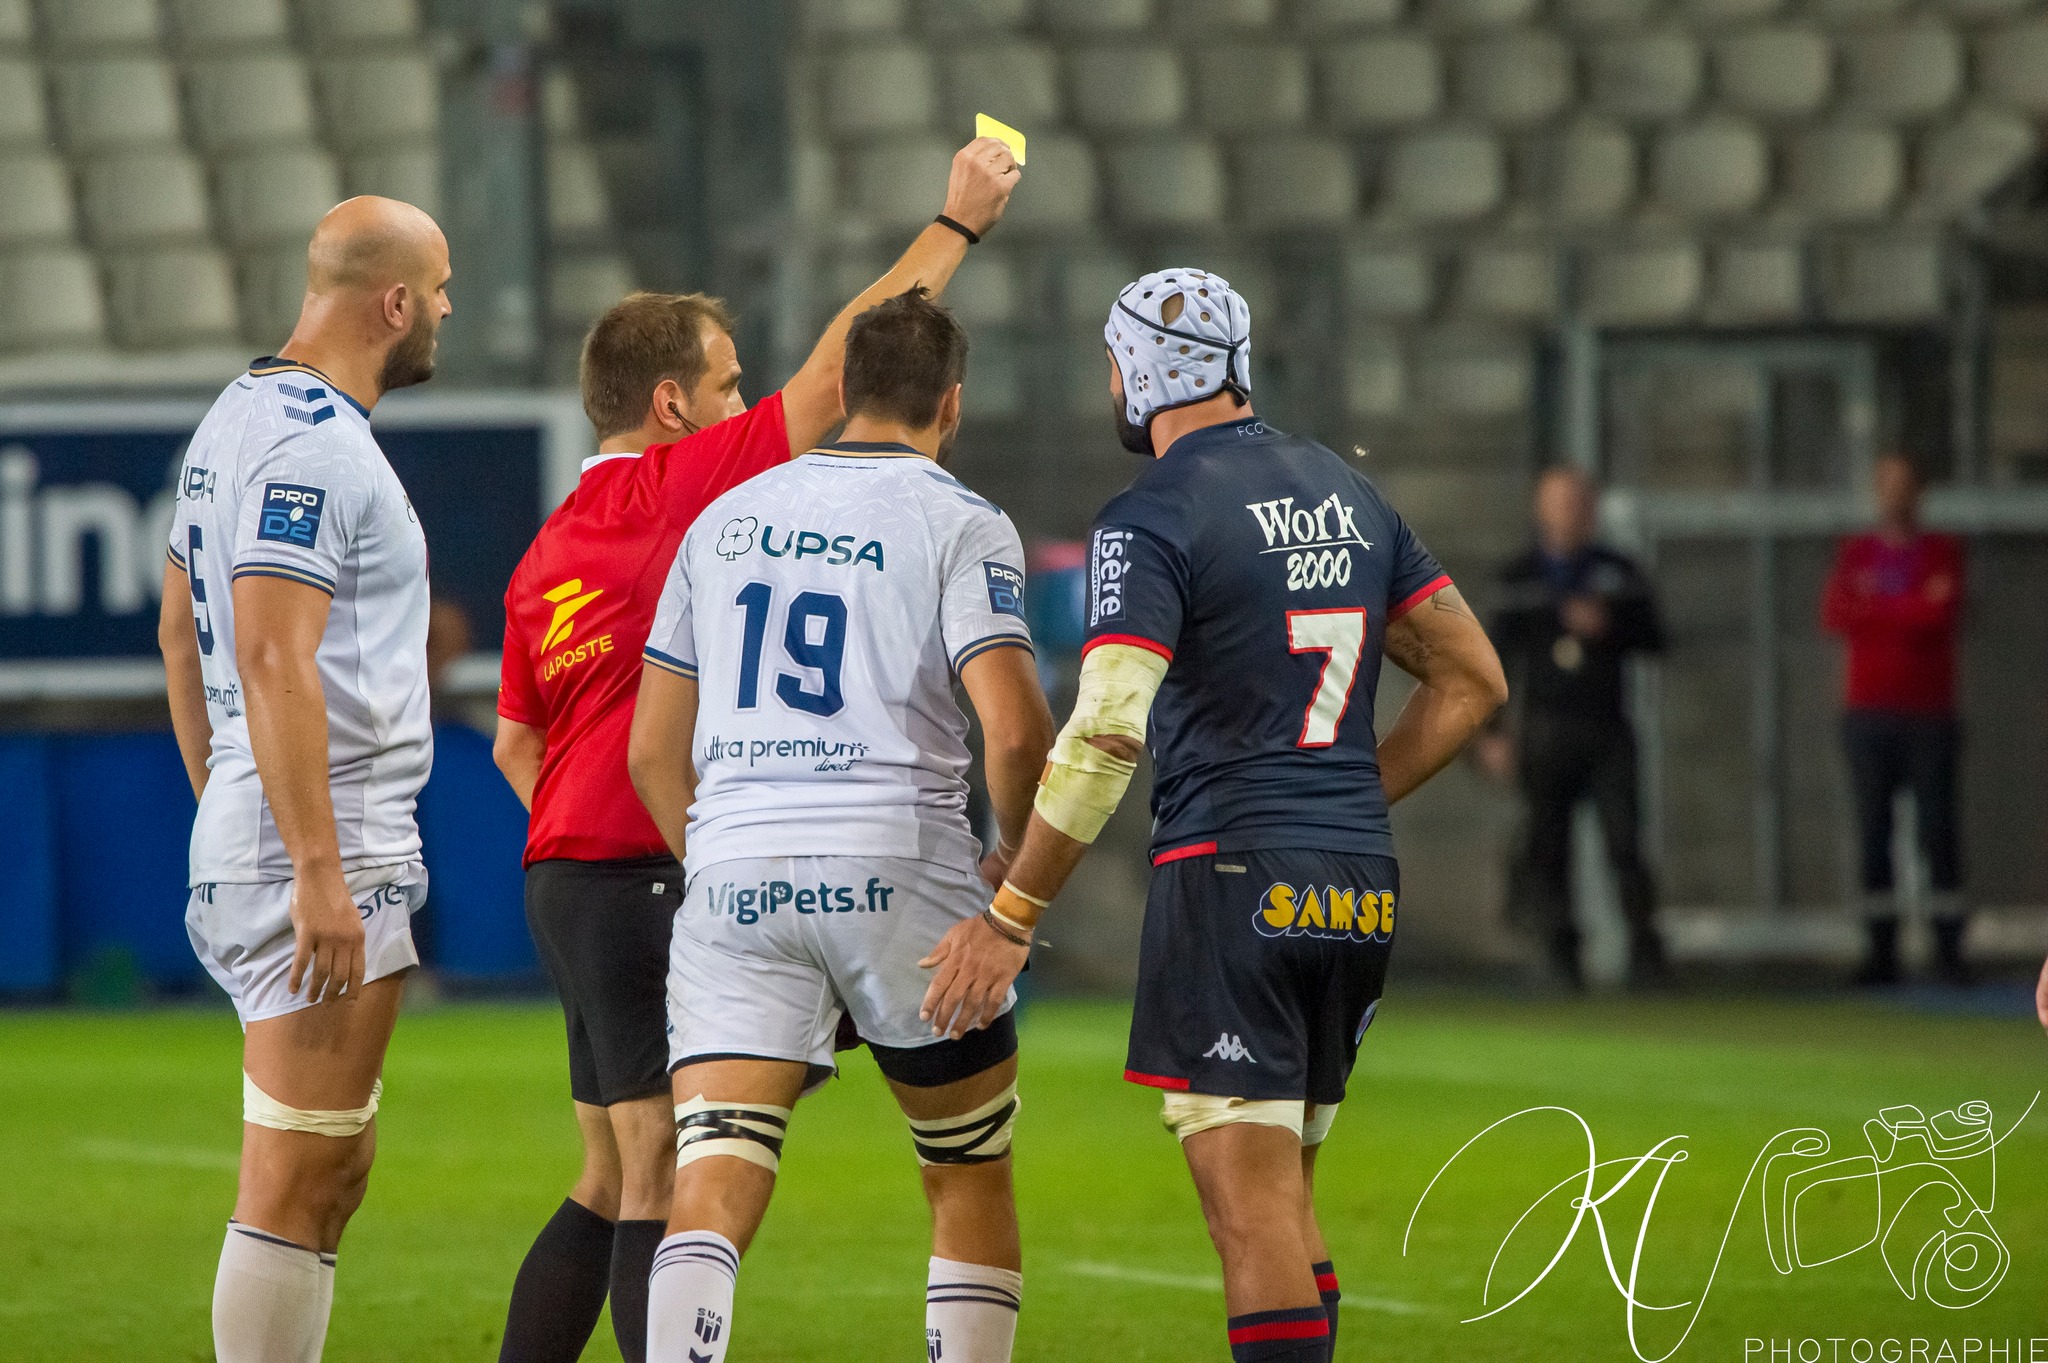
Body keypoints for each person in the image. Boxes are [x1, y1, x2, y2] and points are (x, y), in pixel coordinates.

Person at [490, 141, 1019, 1363]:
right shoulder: (690, 489)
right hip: (653, 865)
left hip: (561, 873)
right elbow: (844, 370)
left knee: (605, 1170)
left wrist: (592, 846)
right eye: (728, 386)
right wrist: (954, 226)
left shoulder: (548, 546)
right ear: (673, 407)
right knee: (661, 1176)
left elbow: (518, 740)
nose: (746, 406)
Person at [917, 269, 1508, 1363]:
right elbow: (1473, 679)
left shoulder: (1152, 515)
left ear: (1140, 371)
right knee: (1285, 1199)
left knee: (1250, 1216)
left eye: (1112, 364)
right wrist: (1340, 795)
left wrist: (1012, 912)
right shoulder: (1345, 488)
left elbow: (1104, 733)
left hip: (1231, 879)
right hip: (1354, 880)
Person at [626, 288, 1054, 1363]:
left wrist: (725, 861)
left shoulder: (724, 521)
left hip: (735, 871)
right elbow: (1013, 731)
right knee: (965, 1173)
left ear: (847, 390)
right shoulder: (960, 521)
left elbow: (650, 753)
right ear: (950, 404)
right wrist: (1013, 867)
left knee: (712, 1175)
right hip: (900, 868)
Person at [157, 196, 452, 1363]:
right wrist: (311, 865)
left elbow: (180, 632)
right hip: (325, 836)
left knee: (328, 1167)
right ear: (394, 303)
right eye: (438, 290)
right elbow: (274, 652)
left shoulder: (233, 418)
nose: (444, 311)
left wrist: (228, 798)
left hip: (270, 822)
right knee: (294, 1175)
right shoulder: (317, 445)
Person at [1483, 466, 1667, 988]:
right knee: (1548, 846)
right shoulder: (1520, 577)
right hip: (1545, 730)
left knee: (1625, 843)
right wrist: (1492, 734)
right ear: (1541, 509)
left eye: (1579, 502)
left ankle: (1646, 956)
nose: (1570, 513)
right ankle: (1561, 959)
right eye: (1560, 502)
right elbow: (1491, 661)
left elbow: (1656, 638)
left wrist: (1608, 628)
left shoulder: (1618, 572)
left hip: (1607, 728)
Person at [1821, 454, 1968, 985]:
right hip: (1867, 713)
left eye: (1904, 485)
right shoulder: (1856, 551)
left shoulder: (1943, 551)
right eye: (1886, 485)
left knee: (1938, 831)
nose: (1894, 495)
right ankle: (1880, 951)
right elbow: (1836, 613)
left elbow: (1940, 614)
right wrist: (1908, 605)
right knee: (1872, 831)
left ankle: (1948, 949)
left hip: (1930, 714)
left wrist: (1878, 607)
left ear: (1920, 493)